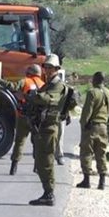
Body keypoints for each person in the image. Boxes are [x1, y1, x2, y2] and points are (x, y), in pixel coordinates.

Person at [27, 54, 66, 206]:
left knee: (47, 161)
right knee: (41, 160)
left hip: (50, 128)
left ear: (57, 69)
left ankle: (49, 194)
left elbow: (48, 99)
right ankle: (47, 192)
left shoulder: (57, 85)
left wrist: (34, 95)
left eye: (50, 68)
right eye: (46, 67)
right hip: (42, 127)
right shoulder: (47, 84)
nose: (47, 70)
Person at [0, 64, 44, 175]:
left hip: (24, 116)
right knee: (37, 143)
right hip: (37, 119)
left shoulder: (25, 81)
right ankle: (36, 167)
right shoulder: (43, 85)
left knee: (19, 142)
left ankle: (14, 167)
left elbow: (12, 86)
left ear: (30, 72)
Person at [77, 71, 109, 190]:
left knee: (87, 152)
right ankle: (102, 181)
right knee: (101, 153)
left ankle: (86, 180)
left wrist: (83, 124)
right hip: (104, 126)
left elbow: (88, 110)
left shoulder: (92, 93)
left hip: (92, 126)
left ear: (94, 80)